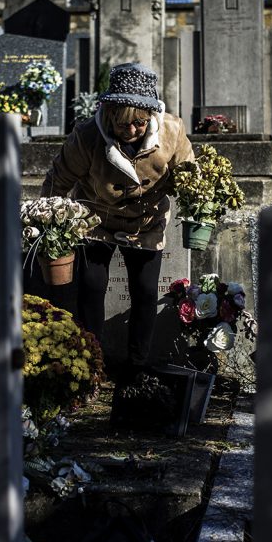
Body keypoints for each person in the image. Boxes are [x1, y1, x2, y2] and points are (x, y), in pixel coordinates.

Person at [41, 62, 194, 376]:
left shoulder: (172, 131)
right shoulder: (86, 137)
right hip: (96, 218)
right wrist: (49, 222)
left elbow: (192, 177)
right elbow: (58, 181)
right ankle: (91, 365)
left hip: (146, 221)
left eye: (139, 123)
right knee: (92, 286)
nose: (132, 131)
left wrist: (201, 203)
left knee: (145, 291)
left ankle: (137, 366)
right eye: (124, 125)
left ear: (150, 117)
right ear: (109, 113)